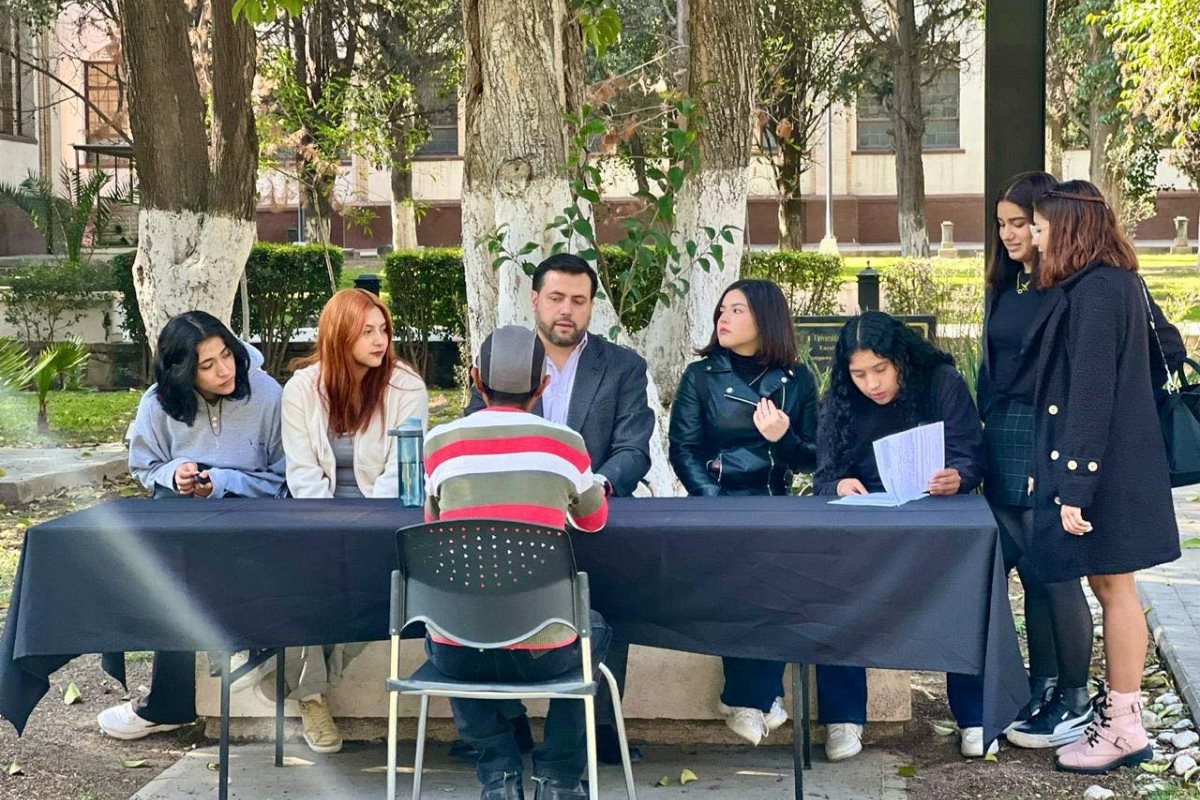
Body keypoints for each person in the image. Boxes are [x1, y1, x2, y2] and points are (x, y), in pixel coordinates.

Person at [465, 253, 653, 763]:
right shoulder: (500, 356)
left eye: (579, 300)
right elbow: (475, 433)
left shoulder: (622, 366)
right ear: (534, 300)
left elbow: (634, 450)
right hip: (515, 520)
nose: (566, 310)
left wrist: (597, 487)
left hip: (596, 519)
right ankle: (509, 728)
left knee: (606, 606)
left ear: (592, 306)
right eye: (555, 298)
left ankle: (595, 734)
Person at [1029, 181, 1180, 774]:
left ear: (1066, 228)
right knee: (1114, 588)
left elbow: (1089, 396)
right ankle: (1121, 719)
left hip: (1107, 472)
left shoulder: (1096, 292)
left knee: (1115, 589)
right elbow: (1163, 345)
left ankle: (1123, 727)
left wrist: (1074, 487)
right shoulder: (1121, 283)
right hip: (1125, 465)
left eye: (1040, 228)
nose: (1035, 240)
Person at [425, 325, 611, 800]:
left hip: (460, 652)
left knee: (442, 625)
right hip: (543, 656)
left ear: (474, 379)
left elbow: (433, 526)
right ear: (543, 385)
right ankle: (560, 777)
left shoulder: (439, 443)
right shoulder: (565, 443)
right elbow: (593, 523)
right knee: (598, 630)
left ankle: (499, 772)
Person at [97, 310, 286, 740]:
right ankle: (170, 702)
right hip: (180, 517)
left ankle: (245, 678)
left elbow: (283, 476)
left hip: (251, 515)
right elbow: (144, 467)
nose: (225, 370)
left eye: (226, 355)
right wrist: (176, 473)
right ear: (182, 373)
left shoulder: (268, 394)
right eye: (207, 365)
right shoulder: (157, 402)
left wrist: (221, 482)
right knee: (164, 575)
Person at [812, 311, 992, 760]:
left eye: (880, 370)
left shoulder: (940, 382)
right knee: (834, 593)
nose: (870, 383)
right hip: (869, 515)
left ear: (901, 361)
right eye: (858, 374)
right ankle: (843, 718)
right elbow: (825, 472)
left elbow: (971, 452)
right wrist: (838, 484)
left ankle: (975, 716)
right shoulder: (840, 397)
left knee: (964, 595)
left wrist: (958, 476)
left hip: (937, 513)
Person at [667, 278, 818, 745]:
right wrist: (711, 501)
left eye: (737, 310)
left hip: (774, 501)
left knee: (775, 596)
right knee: (736, 596)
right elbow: (683, 449)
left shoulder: (798, 379)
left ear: (765, 319)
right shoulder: (701, 376)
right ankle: (758, 699)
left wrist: (783, 439)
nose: (723, 318)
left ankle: (746, 698)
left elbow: (813, 455)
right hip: (718, 501)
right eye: (722, 310)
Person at [977, 171, 1097, 749]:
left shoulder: (1069, 290)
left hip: (1044, 433)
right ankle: (1044, 686)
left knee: (1056, 572)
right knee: (1026, 571)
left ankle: (1078, 695)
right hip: (1000, 433)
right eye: (1001, 224)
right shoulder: (1007, 285)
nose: (1008, 234)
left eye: (1019, 222)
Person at [280, 287, 429, 754]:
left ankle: (313, 686)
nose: (380, 339)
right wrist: (327, 529)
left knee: (359, 581)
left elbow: (402, 470)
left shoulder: (406, 386)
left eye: (383, 329)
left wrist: (358, 529)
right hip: (315, 517)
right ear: (338, 334)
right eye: (366, 331)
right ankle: (312, 697)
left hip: (381, 519)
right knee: (304, 582)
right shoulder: (301, 389)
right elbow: (301, 470)